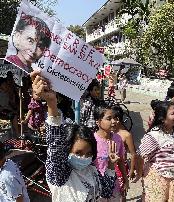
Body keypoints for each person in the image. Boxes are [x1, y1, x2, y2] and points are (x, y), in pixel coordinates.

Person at [31, 71, 118, 202]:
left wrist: (111, 166)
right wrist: (51, 103)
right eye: (78, 152)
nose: (84, 157)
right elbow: (55, 144)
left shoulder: (92, 171)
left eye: (89, 153)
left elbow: (106, 191)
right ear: (66, 150)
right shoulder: (60, 175)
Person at [137, 101, 174, 202]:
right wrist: (139, 173)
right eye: (172, 114)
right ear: (162, 119)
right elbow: (140, 155)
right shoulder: (154, 136)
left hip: (172, 177)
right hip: (158, 178)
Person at [93, 102, 129, 201]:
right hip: (97, 188)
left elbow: (121, 161)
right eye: (109, 119)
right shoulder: (92, 140)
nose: (113, 121)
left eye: (115, 118)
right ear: (98, 121)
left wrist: (125, 180)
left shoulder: (117, 138)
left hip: (114, 186)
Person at [112, 105, 138, 201]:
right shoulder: (109, 132)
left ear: (117, 119)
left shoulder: (126, 135)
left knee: (122, 192)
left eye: (111, 118)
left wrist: (131, 170)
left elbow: (133, 153)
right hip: (110, 167)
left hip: (121, 168)